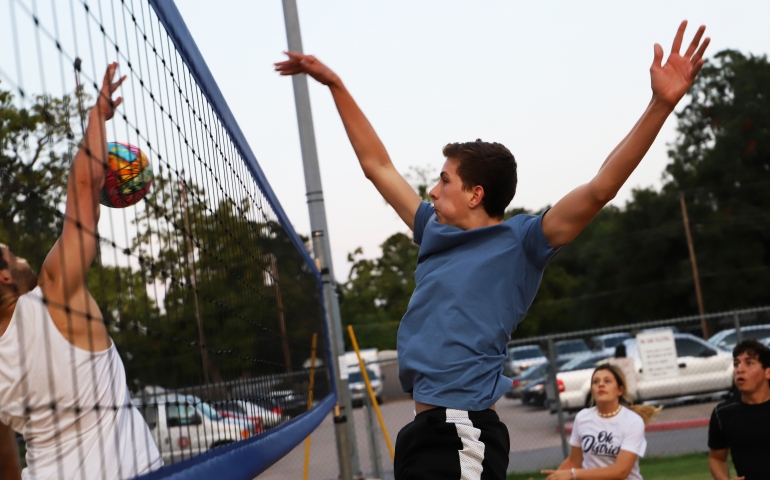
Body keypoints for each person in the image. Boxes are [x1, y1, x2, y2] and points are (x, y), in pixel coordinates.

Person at [276, 21, 709, 480]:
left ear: (475, 194)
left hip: (463, 430)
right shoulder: (433, 229)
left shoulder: (523, 241)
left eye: (444, 180)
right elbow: (377, 165)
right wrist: (335, 85)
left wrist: (660, 105)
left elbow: (601, 188)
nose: (433, 189)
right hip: (424, 428)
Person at [0, 63, 162, 479]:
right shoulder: (55, 292)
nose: (20, 257)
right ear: (5, 277)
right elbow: (85, 190)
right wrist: (97, 117)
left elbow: (3, 455)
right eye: (12, 255)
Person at [542, 365, 660, 480]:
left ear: (620, 390)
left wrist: (573, 474)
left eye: (607, 381)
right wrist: (556, 477)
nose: (601, 384)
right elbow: (574, 461)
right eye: (596, 382)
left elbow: (621, 471)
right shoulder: (583, 417)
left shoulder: (632, 421)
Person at [708, 339, 770, 480]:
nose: (740, 369)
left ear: (767, 372)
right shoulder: (722, 413)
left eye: (749, 363)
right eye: (736, 364)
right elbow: (717, 459)